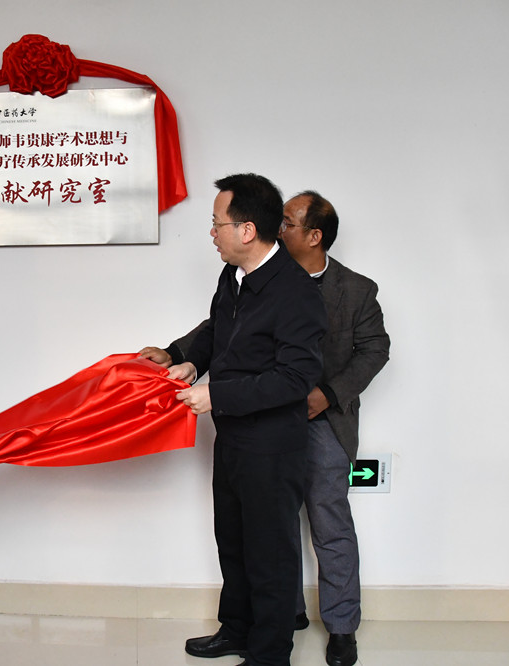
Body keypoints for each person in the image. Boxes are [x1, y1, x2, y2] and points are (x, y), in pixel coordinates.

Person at [140, 191, 390, 666]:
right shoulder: (243, 275)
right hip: (246, 421)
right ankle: (250, 626)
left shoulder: (339, 289)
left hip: (311, 421)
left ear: (314, 237)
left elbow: (366, 353)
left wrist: (325, 394)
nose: (281, 225)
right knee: (242, 536)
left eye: (289, 222)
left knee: (314, 530)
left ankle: (332, 630)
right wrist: (184, 358)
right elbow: (220, 327)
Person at [153, 174, 327, 666]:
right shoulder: (233, 276)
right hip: (232, 435)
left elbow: (294, 378)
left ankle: (269, 654)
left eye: (217, 223)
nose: (212, 233)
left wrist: (216, 394)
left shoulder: (295, 292)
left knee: (269, 552)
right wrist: (191, 362)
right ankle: (236, 629)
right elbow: (219, 330)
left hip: (272, 445)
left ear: (247, 230)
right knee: (232, 540)